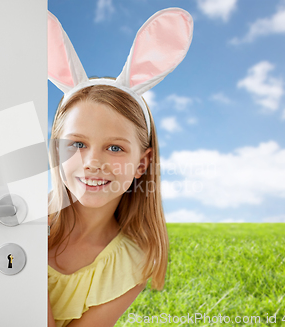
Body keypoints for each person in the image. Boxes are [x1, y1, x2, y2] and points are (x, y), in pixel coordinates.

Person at [46, 8, 194, 327]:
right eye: (77, 144)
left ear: (142, 163)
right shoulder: (21, 215)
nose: (93, 163)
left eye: (115, 148)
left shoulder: (131, 265)